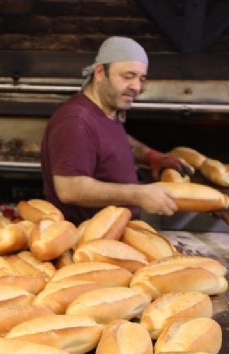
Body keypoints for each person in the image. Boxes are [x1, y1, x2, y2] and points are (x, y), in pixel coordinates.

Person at [40, 36, 191, 224]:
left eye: (141, 78)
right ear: (100, 73)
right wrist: (138, 194)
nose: (137, 87)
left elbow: (107, 141)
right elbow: (70, 189)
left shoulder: (105, 111)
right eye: (128, 76)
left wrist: (150, 156)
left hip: (115, 232)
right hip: (86, 237)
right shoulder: (75, 120)